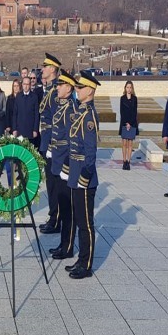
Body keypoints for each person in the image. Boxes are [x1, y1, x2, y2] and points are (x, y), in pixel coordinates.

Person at [66, 71, 101, 279]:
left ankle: (86, 265)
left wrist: (84, 178)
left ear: (89, 90)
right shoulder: (81, 111)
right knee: (80, 221)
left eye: (80, 88)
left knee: (86, 224)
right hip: (75, 175)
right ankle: (81, 259)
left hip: (84, 179)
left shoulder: (89, 116)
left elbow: (91, 152)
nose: (76, 90)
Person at [47, 70, 78, 259]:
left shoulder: (71, 109)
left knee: (68, 209)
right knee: (62, 204)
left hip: (65, 164)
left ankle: (68, 247)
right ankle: (63, 244)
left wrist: (67, 166)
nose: (57, 87)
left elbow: (72, 140)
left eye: (60, 85)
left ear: (68, 88)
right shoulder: (62, 107)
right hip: (57, 162)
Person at [38, 53, 62, 234]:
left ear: (53, 69)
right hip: (46, 144)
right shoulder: (49, 90)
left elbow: (57, 122)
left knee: (54, 184)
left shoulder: (55, 93)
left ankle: (56, 219)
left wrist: (52, 147)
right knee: (51, 185)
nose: (42, 69)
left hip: (52, 146)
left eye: (45, 66)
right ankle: (53, 216)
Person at [12, 77, 39, 142]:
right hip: (19, 130)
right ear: (22, 85)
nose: (26, 86)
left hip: (30, 130)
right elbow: (15, 113)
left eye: (27, 84)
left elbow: (36, 114)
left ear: (30, 85)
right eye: (24, 84)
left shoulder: (34, 97)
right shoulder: (18, 96)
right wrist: (14, 129)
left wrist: (35, 130)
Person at [119, 80, 138, 170]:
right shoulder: (122, 98)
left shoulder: (135, 98)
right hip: (124, 123)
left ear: (132, 88)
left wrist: (130, 123)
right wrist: (126, 123)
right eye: (127, 87)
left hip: (132, 123)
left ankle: (128, 162)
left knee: (130, 144)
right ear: (125, 88)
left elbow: (135, 112)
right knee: (124, 144)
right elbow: (122, 112)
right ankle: (124, 161)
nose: (129, 89)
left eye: (130, 87)